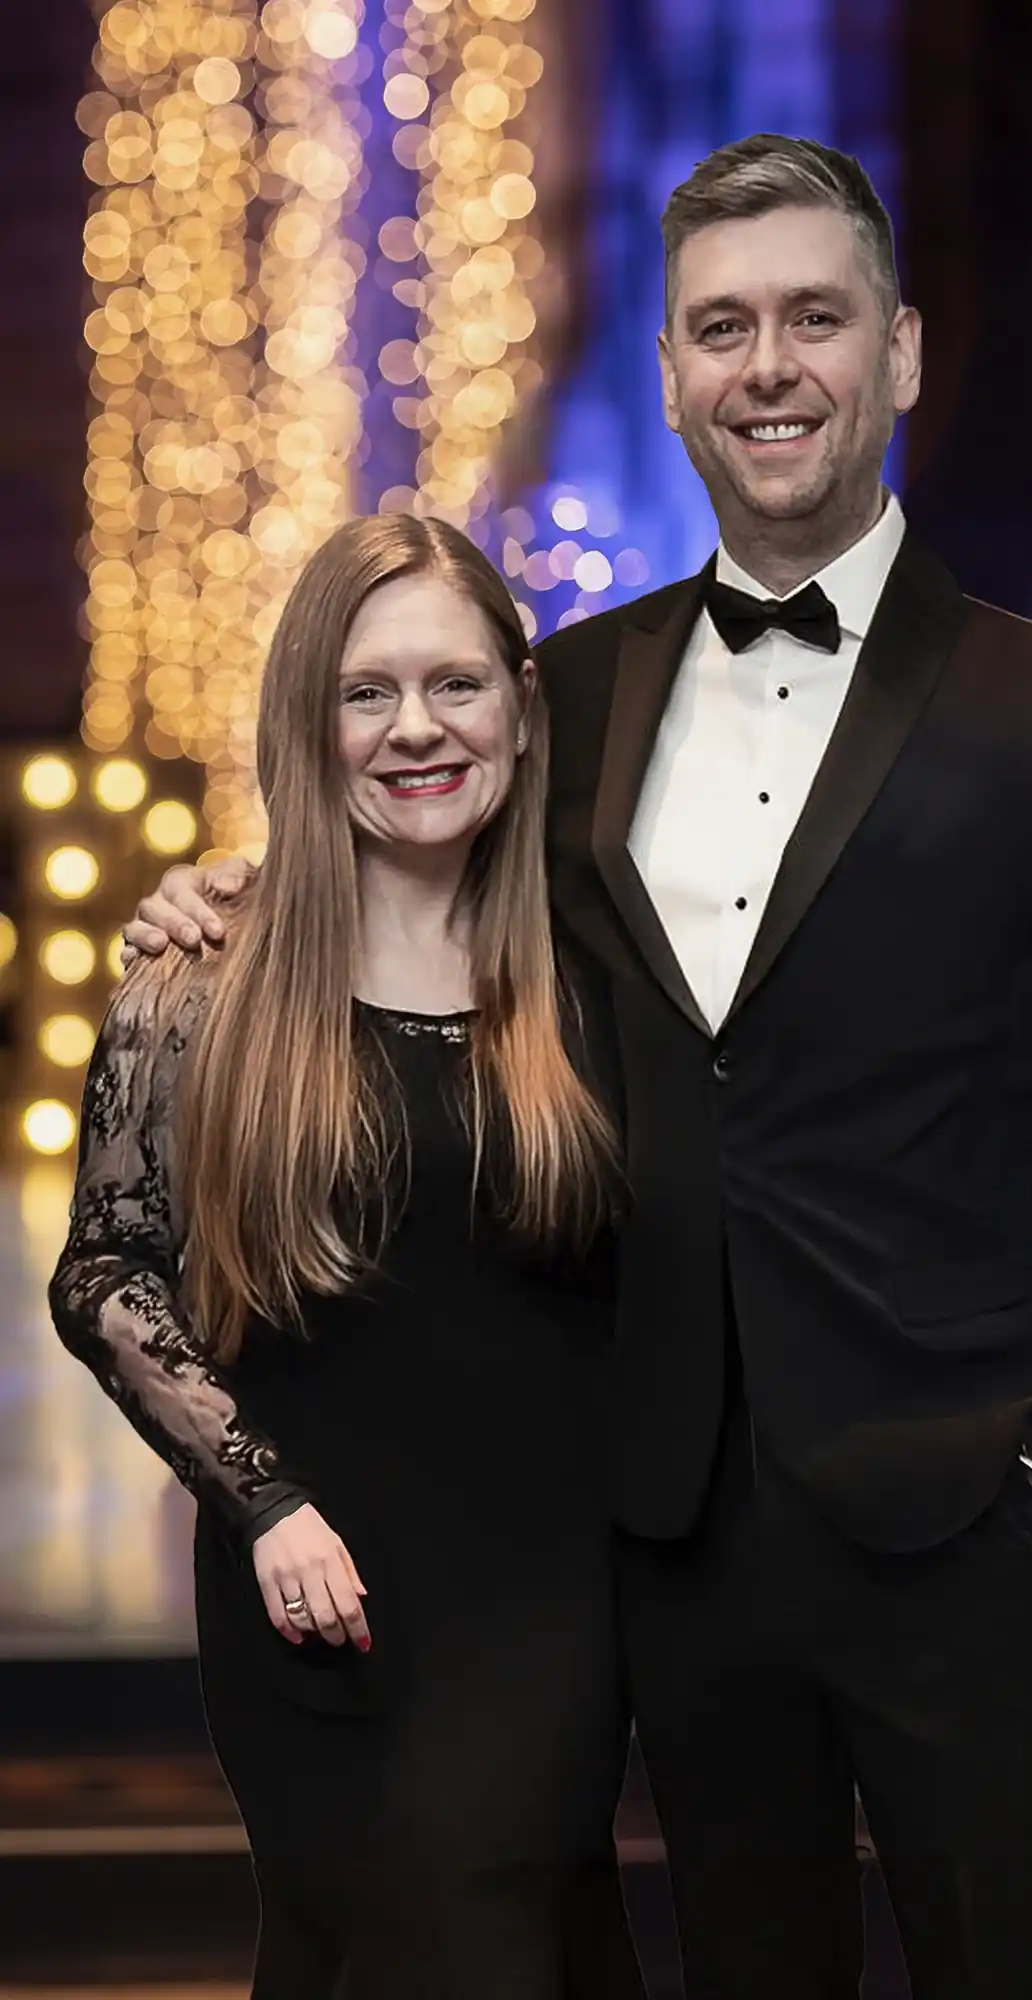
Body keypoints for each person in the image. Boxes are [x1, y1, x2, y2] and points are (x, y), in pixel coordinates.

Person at [125, 136, 1032, 2000]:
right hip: (662, 1543)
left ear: (898, 354)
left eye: (815, 319)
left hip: (962, 1524)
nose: (769, 366)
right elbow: (406, 828)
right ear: (674, 374)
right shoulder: (570, 694)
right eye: (722, 327)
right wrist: (239, 897)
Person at [53, 515, 645, 2000]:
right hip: (315, 1592)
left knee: (481, 1937)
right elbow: (110, 1276)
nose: (416, 729)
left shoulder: (596, 975)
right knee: (350, 1953)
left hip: (549, 1602)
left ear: (518, 702)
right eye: (366, 691)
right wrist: (266, 1507)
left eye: (455, 683)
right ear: (306, 722)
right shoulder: (204, 979)